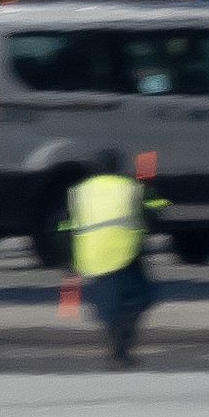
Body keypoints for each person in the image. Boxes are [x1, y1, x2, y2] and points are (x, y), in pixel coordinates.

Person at [63, 144, 161, 363]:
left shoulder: (79, 191)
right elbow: (155, 213)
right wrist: (150, 188)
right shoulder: (130, 186)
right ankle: (121, 349)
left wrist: (70, 263)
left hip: (91, 257)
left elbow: (66, 227)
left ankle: (117, 344)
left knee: (110, 304)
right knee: (143, 297)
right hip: (124, 253)